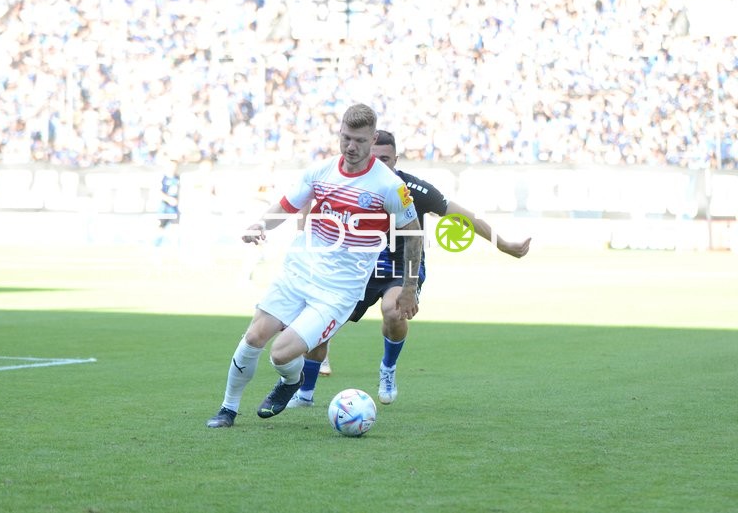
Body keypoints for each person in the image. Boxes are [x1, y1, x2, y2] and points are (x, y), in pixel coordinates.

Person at [206, 105, 423, 428]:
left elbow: (413, 234)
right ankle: (228, 409)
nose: (351, 147)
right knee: (254, 335)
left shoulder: (388, 185)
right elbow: (287, 205)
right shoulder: (320, 172)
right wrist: (260, 224)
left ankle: (291, 382)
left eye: (360, 141)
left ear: (373, 138)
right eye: (346, 138)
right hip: (298, 272)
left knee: (280, 354)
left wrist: (408, 287)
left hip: (337, 292)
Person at [288, 129, 531, 407]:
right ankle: (305, 393)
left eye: (387, 159)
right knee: (321, 323)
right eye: (376, 158)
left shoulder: (412, 189)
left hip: (400, 268)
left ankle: (387, 370)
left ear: (396, 159)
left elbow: (464, 216)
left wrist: (502, 243)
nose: (381, 164)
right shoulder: (347, 184)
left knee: (393, 310)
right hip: (354, 268)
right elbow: (311, 202)